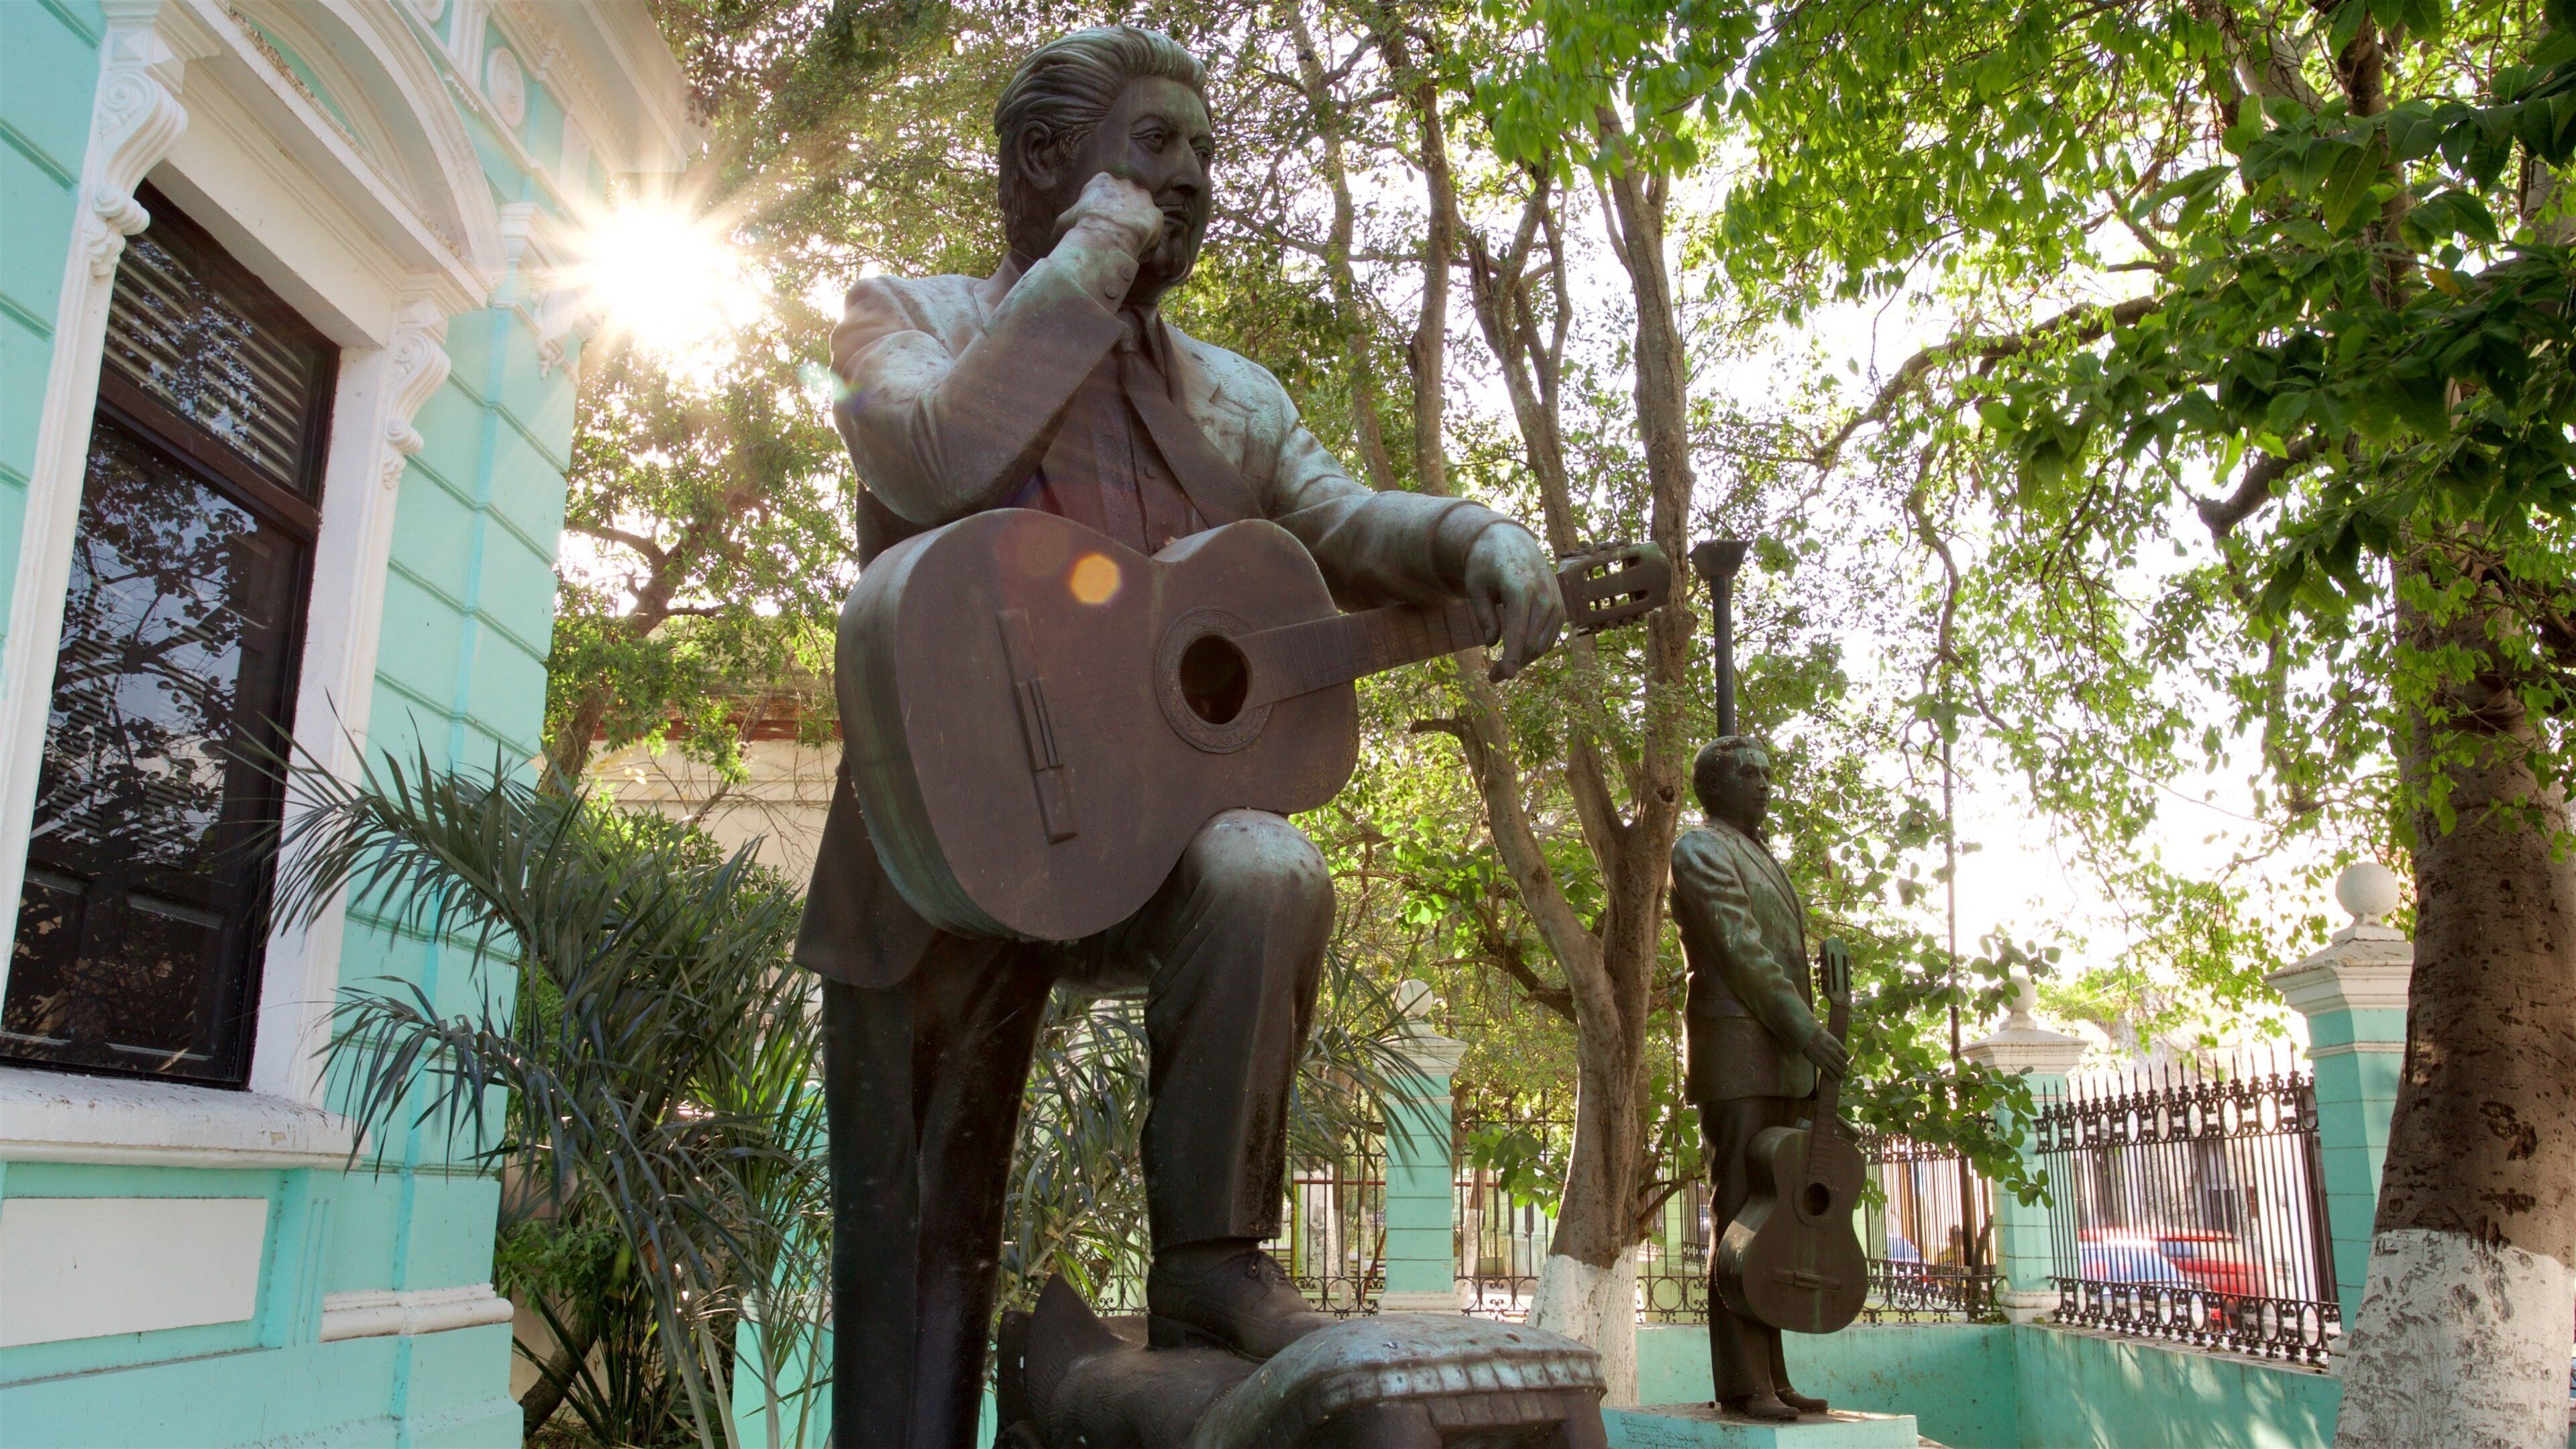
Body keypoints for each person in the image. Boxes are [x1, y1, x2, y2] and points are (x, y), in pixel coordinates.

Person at [794, 26, 1566, 1449]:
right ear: (1044, 162)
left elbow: (1344, 524)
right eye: (1157, 145)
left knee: (1268, 867)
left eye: (1208, 151)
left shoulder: (1237, 396)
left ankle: (1212, 1263)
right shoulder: (907, 315)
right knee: (913, 1296)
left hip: (1141, 842)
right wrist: (1090, 257)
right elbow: (936, 456)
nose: (1197, 177)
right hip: (939, 848)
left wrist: (1472, 536)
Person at [1670, 737, 1849, 1421]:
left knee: (1772, 1227)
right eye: (1750, 773)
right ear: (1714, 784)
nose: (1764, 783)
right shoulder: (1700, 849)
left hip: (1780, 1061)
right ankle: (1744, 1383)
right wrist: (1806, 1030)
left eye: (1768, 773)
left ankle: (1773, 1374)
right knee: (1741, 1217)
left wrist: (1808, 1046)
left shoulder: (1760, 853)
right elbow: (1741, 950)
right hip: (1736, 1057)